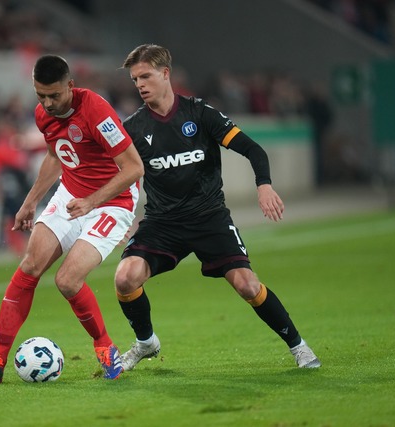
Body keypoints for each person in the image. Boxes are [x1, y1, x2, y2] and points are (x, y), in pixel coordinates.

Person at [114, 44, 320, 371]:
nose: (139, 84)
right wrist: (121, 213)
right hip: (162, 223)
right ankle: (145, 343)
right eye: (135, 78)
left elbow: (253, 149)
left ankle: (299, 346)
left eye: (145, 76)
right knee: (125, 278)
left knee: (247, 285)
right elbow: (120, 175)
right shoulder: (133, 128)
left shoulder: (201, 114)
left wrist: (263, 184)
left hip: (209, 219)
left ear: (165, 74)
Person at [0, 54, 144, 384]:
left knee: (67, 280)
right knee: (30, 265)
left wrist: (92, 201)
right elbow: (56, 154)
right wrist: (30, 201)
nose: (48, 104)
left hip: (113, 202)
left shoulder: (96, 110)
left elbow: (135, 168)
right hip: (70, 194)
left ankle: (106, 348)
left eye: (54, 95)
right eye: (41, 96)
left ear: (71, 86)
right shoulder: (43, 115)